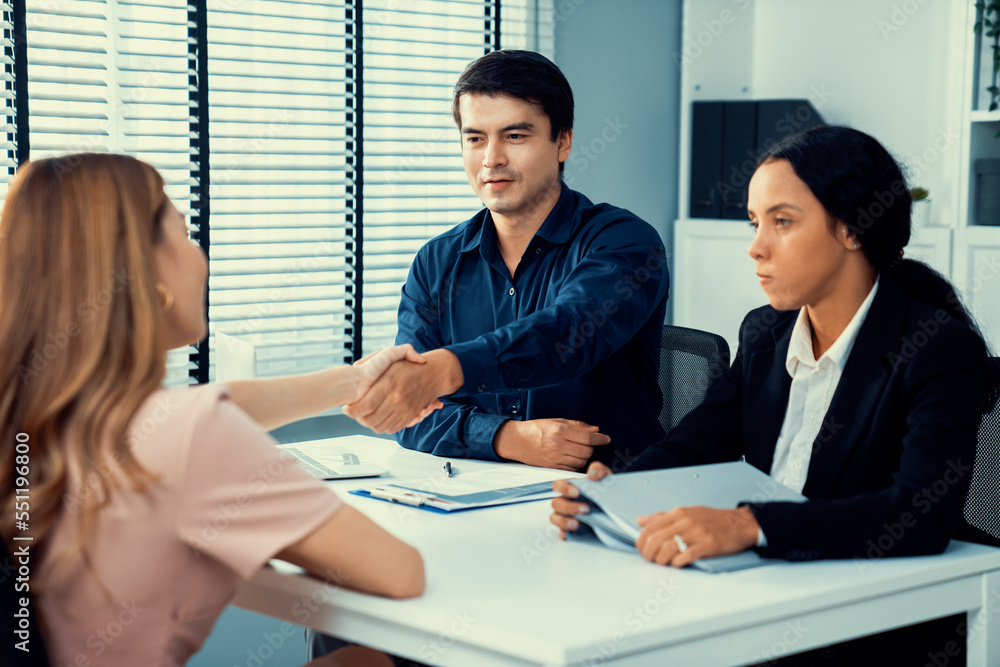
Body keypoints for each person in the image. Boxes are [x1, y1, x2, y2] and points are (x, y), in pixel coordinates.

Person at [551, 125, 994, 664]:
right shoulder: (765, 332)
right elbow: (697, 442)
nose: (755, 247)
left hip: (874, 618)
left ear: (853, 228)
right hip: (763, 592)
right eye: (755, 222)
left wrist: (747, 523)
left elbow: (921, 512)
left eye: (782, 222)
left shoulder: (935, 347)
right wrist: (617, 488)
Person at [0, 153, 430, 667]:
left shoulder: (37, 415)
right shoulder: (189, 435)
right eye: (182, 233)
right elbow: (401, 573)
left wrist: (353, 379)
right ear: (146, 272)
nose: (199, 255)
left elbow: (189, 414)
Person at [345, 50, 670, 473]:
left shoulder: (624, 242)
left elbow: (567, 335)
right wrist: (505, 437)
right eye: (475, 138)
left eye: (515, 136)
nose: (491, 158)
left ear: (563, 141)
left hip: (612, 497)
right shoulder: (437, 261)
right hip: (480, 496)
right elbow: (414, 417)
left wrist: (446, 369)